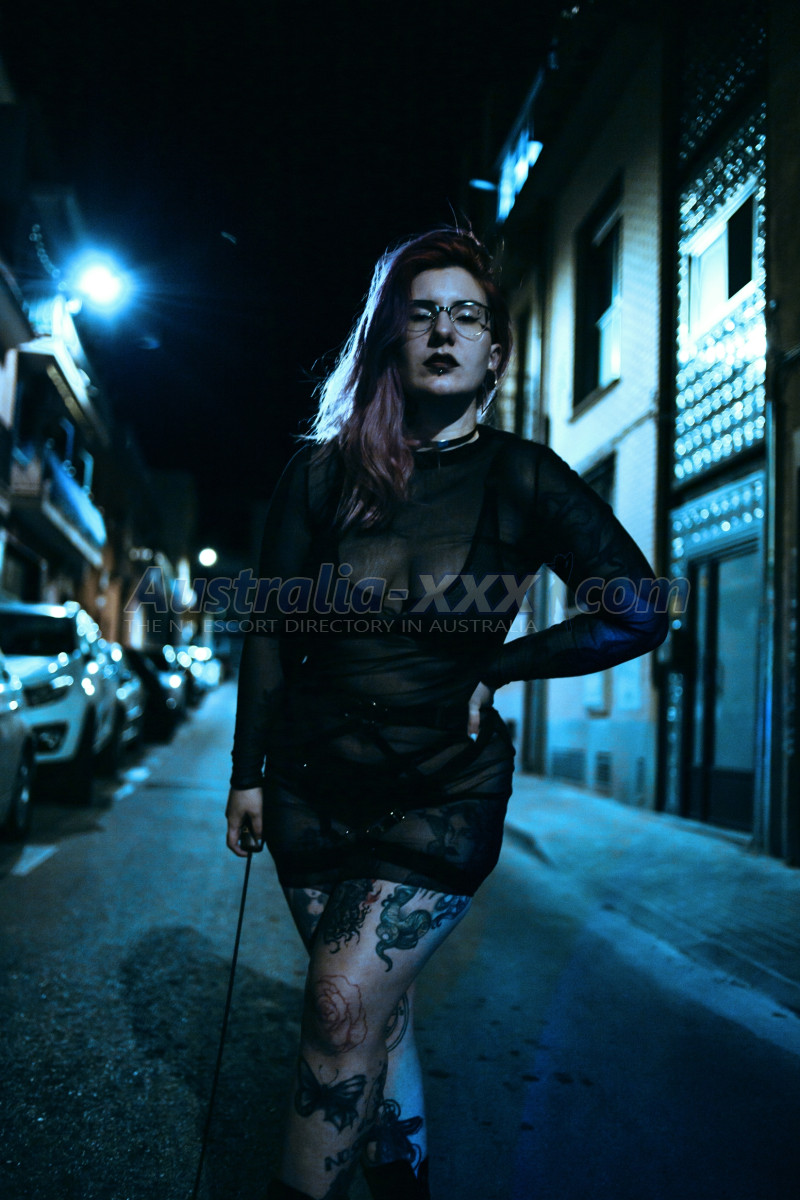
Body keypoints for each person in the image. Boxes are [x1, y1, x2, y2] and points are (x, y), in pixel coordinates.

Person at [225, 228, 668, 1200]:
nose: (442, 332)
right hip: (309, 786)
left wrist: (502, 665)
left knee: (339, 1007)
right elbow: (268, 629)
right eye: (422, 313)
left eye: (466, 316)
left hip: (441, 791)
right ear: (390, 336)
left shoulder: (523, 475)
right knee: (376, 1018)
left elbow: (636, 607)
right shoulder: (319, 474)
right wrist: (247, 774)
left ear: (494, 353)